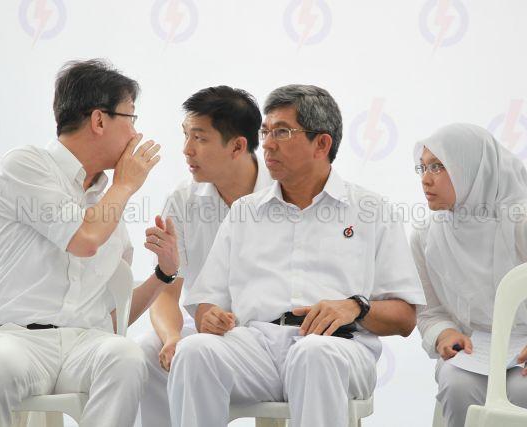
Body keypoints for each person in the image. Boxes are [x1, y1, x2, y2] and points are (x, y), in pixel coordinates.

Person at [167, 84, 426, 427]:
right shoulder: (245, 212)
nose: (268, 143)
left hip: (339, 347)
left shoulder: (371, 211)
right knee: (194, 351)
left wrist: (355, 307)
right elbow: (206, 302)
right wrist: (210, 316)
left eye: (283, 132)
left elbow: (405, 317)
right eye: (266, 131)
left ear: (322, 143)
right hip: (257, 346)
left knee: (312, 353)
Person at [0, 59, 179, 427]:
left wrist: (163, 274)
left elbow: (114, 317)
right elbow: (84, 239)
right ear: (99, 120)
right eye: (131, 119)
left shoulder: (109, 203)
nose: (136, 135)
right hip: (18, 338)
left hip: (85, 344)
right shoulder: (25, 165)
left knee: (126, 356)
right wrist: (125, 185)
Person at [411, 123, 527, 427]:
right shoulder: (425, 235)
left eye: (438, 167)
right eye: (422, 167)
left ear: (471, 169)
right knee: (457, 385)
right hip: (477, 349)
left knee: (526, 390)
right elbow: (429, 310)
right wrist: (444, 333)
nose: (425, 179)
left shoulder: (524, 225)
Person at [136, 85, 272, 427]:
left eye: (200, 138)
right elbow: (167, 292)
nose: (186, 150)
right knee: (147, 352)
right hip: (200, 330)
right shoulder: (183, 199)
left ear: (238, 145)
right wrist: (171, 337)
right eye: (185, 136)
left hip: (266, 335)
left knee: (199, 354)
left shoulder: (284, 194)